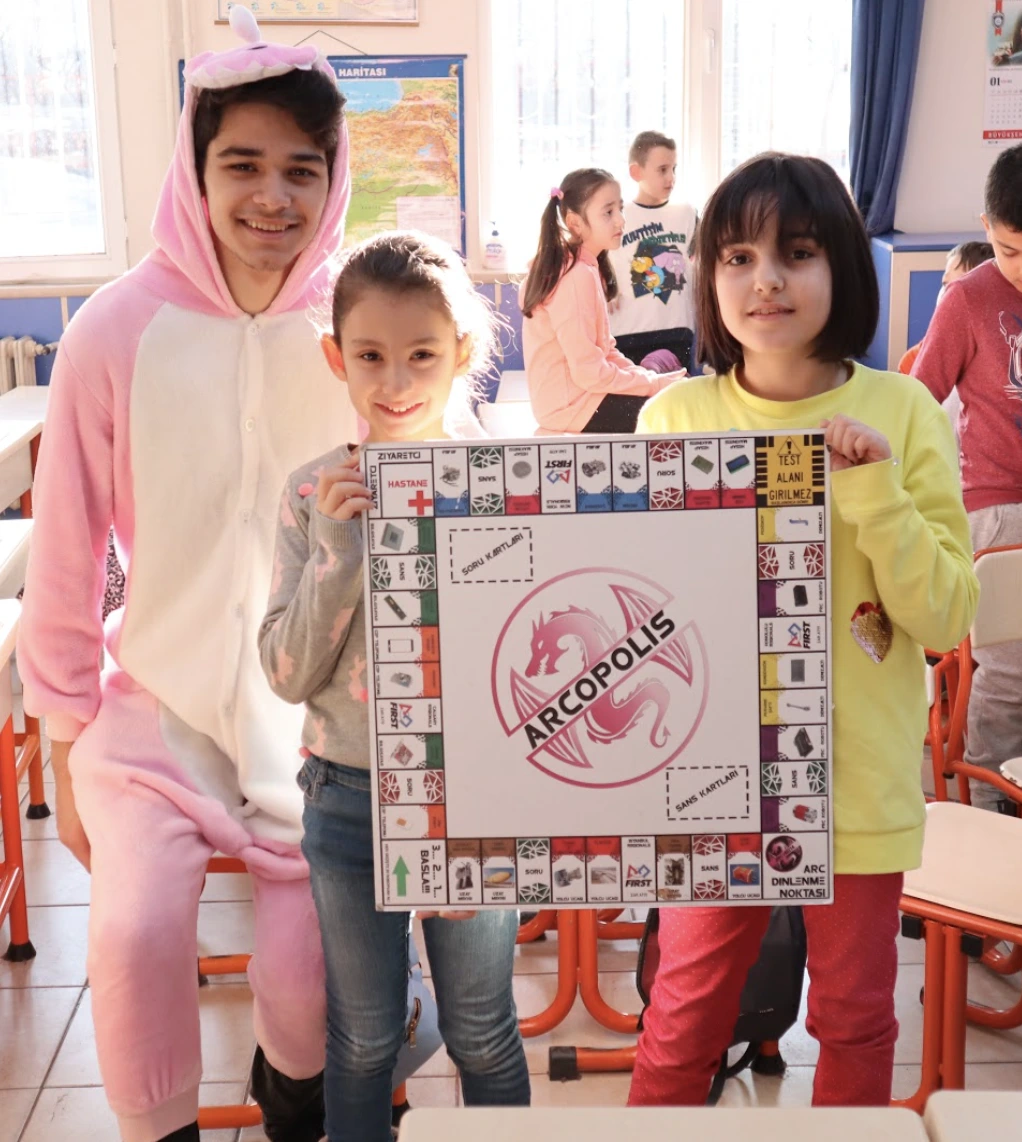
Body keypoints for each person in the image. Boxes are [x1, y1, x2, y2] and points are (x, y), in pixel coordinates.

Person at [18, 9, 367, 1141]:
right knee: (126, 941)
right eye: (242, 165)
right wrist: (66, 746)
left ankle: (293, 1103)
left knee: (309, 980)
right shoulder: (117, 330)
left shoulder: (359, 327)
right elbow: (66, 551)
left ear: (335, 176)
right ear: (196, 168)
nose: (273, 197)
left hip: (320, 724)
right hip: (153, 715)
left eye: (300, 170)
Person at [627, 153, 978, 1108]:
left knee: (857, 1016)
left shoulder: (903, 411)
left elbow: (945, 617)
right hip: (710, 779)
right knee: (683, 1012)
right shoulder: (674, 416)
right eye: (736, 257)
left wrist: (873, 495)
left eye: (799, 251)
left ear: (846, 269)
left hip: (857, 779)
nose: (765, 279)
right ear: (707, 278)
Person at [259, 231, 531, 1142]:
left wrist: (483, 815)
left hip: (477, 795)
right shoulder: (311, 495)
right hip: (347, 794)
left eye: (421, 354)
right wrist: (340, 551)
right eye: (369, 356)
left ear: (462, 353)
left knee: (483, 1029)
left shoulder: (506, 483)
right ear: (336, 359)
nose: (396, 380)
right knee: (365, 1033)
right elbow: (287, 673)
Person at [913, 141, 1022, 809]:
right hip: (1000, 508)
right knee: (1015, 675)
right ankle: (989, 805)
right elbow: (913, 400)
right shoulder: (968, 299)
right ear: (987, 229)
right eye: (1010, 250)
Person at [521, 168, 684, 434]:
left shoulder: (582, 266)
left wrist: (650, 379)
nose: (620, 221)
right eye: (608, 212)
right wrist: (653, 386)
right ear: (575, 223)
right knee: (675, 412)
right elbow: (589, 373)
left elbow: (605, 351)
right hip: (573, 407)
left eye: (620, 209)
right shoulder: (574, 275)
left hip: (574, 401)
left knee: (672, 392)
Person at [608, 131, 699, 373]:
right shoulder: (616, 214)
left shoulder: (686, 213)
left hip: (677, 330)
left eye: (674, 169)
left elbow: (706, 256)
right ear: (636, 172)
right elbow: (589, 256)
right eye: (662, 170)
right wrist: (605, 286)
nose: (671, 177)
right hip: (627, 333)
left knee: (673, 406)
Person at [897, 241, 994, 375]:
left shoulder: (998, 362)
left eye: (960, 287)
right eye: (946, 284)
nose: (947, 294)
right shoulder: (914, 360)